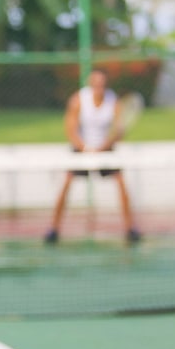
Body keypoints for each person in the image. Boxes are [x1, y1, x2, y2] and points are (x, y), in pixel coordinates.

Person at [44, 69, 141, 245]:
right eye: (95, 83)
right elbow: (70, 130)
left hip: (105, 149)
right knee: (66, 182)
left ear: (105, 84)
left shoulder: (114, 101)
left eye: (101, 84)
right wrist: (85, 149)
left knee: (120, 181)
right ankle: (53, 229)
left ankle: (130, 228)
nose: (98, 87)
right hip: (81, 149)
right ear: (90, 84)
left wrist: (104, 146)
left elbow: (118, 131)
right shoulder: (78, 100)